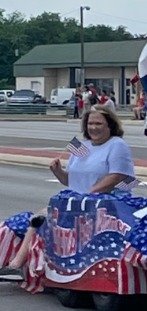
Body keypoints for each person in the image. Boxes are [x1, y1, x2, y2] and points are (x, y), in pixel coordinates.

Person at [9, 105, 137, 269]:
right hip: (80, 200)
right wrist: (58, 171)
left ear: (110, 125)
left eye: (98, 124)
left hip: (107, 203)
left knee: (43, 217)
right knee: (37, 218)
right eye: (90, 123)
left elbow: (117, 176)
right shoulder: (82, 147)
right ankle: (20, 263)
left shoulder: (117, 145)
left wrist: (89, 195)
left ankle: (17, 264)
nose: (93, 128)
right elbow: (71, 180)